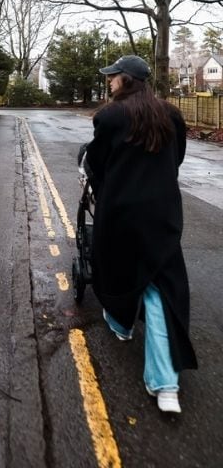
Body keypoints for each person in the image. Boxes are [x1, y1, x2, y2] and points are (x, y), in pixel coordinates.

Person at [86, 55, 197, 414]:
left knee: (119, 270)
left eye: (113, 77)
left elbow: (96, 164)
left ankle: (121, 325)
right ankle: (164, 382)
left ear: (126, 79)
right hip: (162, 212)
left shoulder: (109, 116)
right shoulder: (171, 114)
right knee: (160, 287)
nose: (109, 82)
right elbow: (176, 157)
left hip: (119, 211)